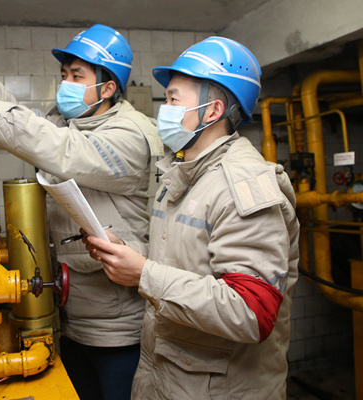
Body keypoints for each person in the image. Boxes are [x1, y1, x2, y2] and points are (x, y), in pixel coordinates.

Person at [0, 17, 163, 400]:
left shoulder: (130, 134)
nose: (65, 83)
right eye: (64, 74)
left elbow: (54, 148)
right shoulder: (70, 121)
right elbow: (12, 110)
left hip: (117, 330)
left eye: (76, 76)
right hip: (70, 318)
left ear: (108, 88)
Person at [83, 37, 300, 399]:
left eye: (172, 99)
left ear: (212, 111)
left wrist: (144, 274)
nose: (163, 110)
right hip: (172, 379)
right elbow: (183, 261)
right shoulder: (183, 172)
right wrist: (128, 252)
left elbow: (251, 312)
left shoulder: (243, 183)